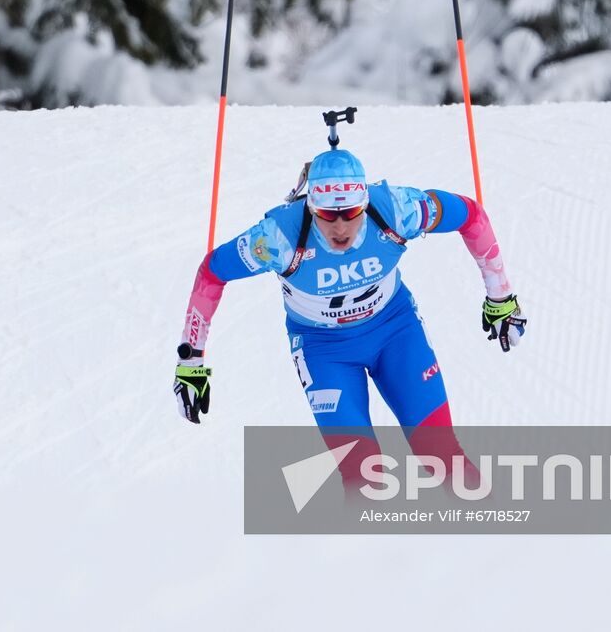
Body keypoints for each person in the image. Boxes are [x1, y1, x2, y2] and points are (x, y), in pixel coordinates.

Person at [172, 142, 526, 490]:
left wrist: (501, 297)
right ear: (310, 206)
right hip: (324, 350)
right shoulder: (278, 238)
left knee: (441, 456)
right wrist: (191, 360)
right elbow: (212, 272)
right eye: (327, 215)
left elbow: (471, 216)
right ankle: (371, 550)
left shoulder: (398, 210)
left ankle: (494, 540)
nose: (340, 227)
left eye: (351, 213)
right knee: (362, 476)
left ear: (365, 202)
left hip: (395, 332)